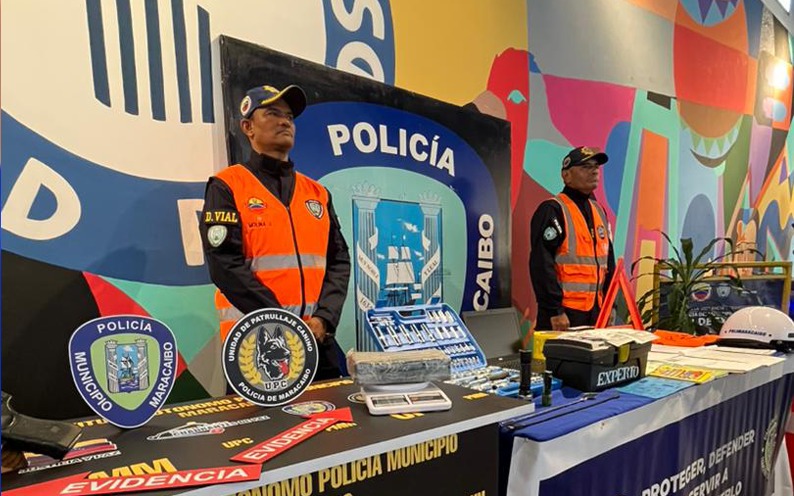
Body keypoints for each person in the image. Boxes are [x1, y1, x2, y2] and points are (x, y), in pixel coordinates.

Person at [200, 84, 351, 381]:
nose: (284, 122)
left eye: (289, 117)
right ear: (248, 127)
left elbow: (339, 261)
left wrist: (325, 318)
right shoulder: (228, 186)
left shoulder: (317, 193)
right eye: (272, 113)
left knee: (333, 410)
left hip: (317, 340)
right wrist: (282, 323)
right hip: (257, 342)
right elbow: (224, 264)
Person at [529, 146, 615, 332]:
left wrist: (610, 305)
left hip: (596, 311)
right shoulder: (553, 210)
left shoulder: (599, 210)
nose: (594, 171)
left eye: (596, 166)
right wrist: (554, 310)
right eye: (585, 167)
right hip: (564, 315)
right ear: (566, 175)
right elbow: (541, 264)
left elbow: (609, 262)